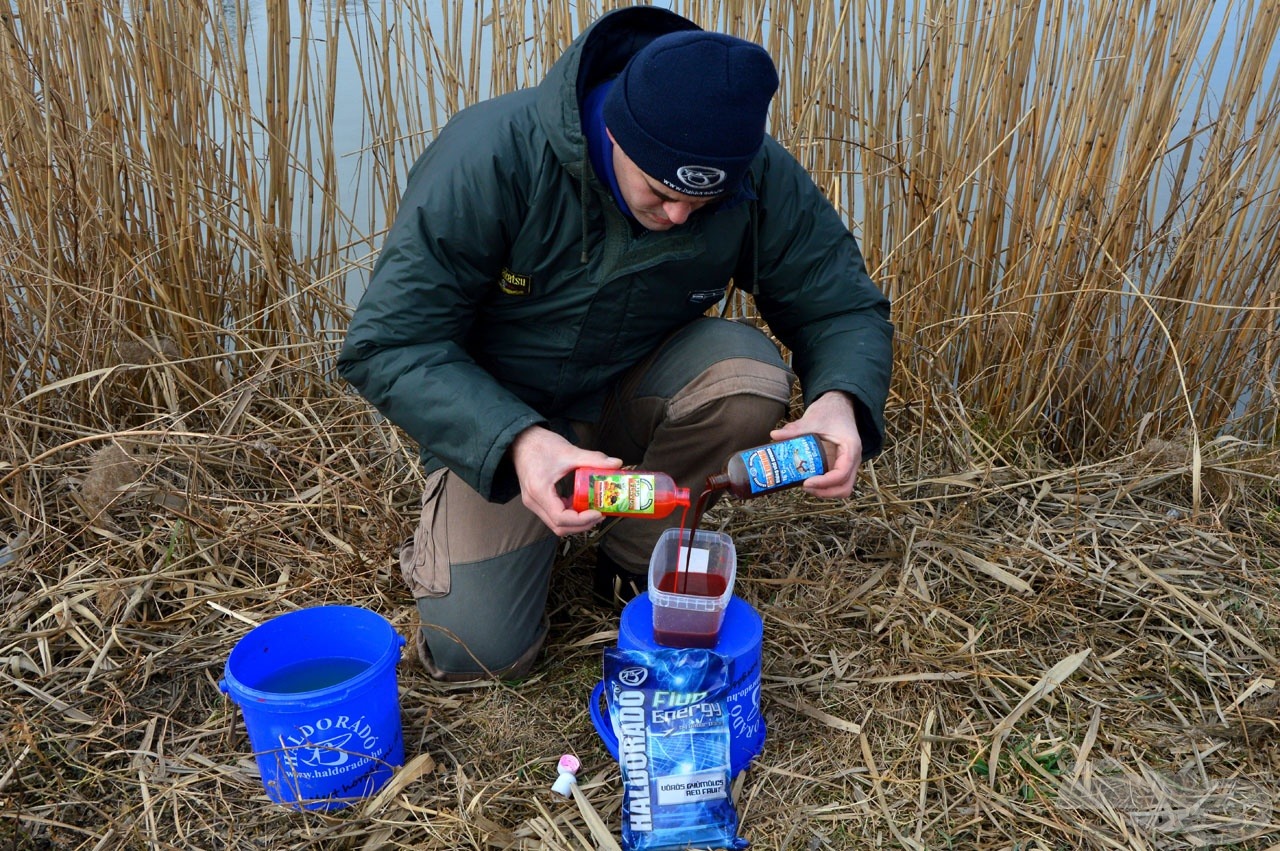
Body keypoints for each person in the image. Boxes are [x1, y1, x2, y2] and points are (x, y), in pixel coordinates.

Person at [337, 5, 893, 682]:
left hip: (637, 389)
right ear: (614, 131)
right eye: (660, 192)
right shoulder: (492, 154)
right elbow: (388, 343)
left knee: (750, 376)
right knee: (477, 649)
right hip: (506, 414)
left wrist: (841, 398)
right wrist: (517, 442)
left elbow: (837, 301)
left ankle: (634, 556)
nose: (681, 216)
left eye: (704, 204)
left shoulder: (749, 173)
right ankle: (491, 517)